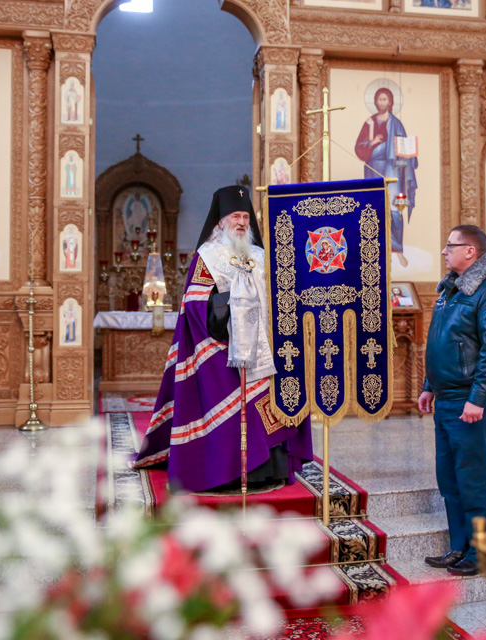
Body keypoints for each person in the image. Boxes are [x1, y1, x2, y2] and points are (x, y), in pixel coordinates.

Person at [133, 186, 314, 493]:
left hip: (266, 348)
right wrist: (233, 312)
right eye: (235, 216)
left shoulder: (261, 256)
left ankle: (270, 471)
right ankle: (228, 473)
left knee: (275, 397)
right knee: (234, 398)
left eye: (245, 216)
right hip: (223, 346)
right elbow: (193, 305)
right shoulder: (208, 257)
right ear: (220, 222)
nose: (241, 222)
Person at [418, 224, 486, 576]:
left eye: (450, 246)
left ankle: (483, 551)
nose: (445, 251)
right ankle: (460, 545)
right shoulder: (451, 288)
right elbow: (441, 340)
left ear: (470, 252)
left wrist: (477, 398)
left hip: (470, 402)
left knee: (473, 478)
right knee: (450, 477)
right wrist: (430, 385)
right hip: (446, 399)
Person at [355, 86, 417, 267]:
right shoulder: (369, 123)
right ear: (375, 102)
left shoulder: (397, 124)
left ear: (390, 102)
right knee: (374, 208)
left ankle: (397, 250)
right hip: (374, 168)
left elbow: (405, 149)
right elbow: (359, 148)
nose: (382, 102)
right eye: (379, 99)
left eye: (385, 99)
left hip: (393, 168)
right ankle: (373, 250)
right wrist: (372, 143)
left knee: (395, 210)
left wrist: (409, 155)